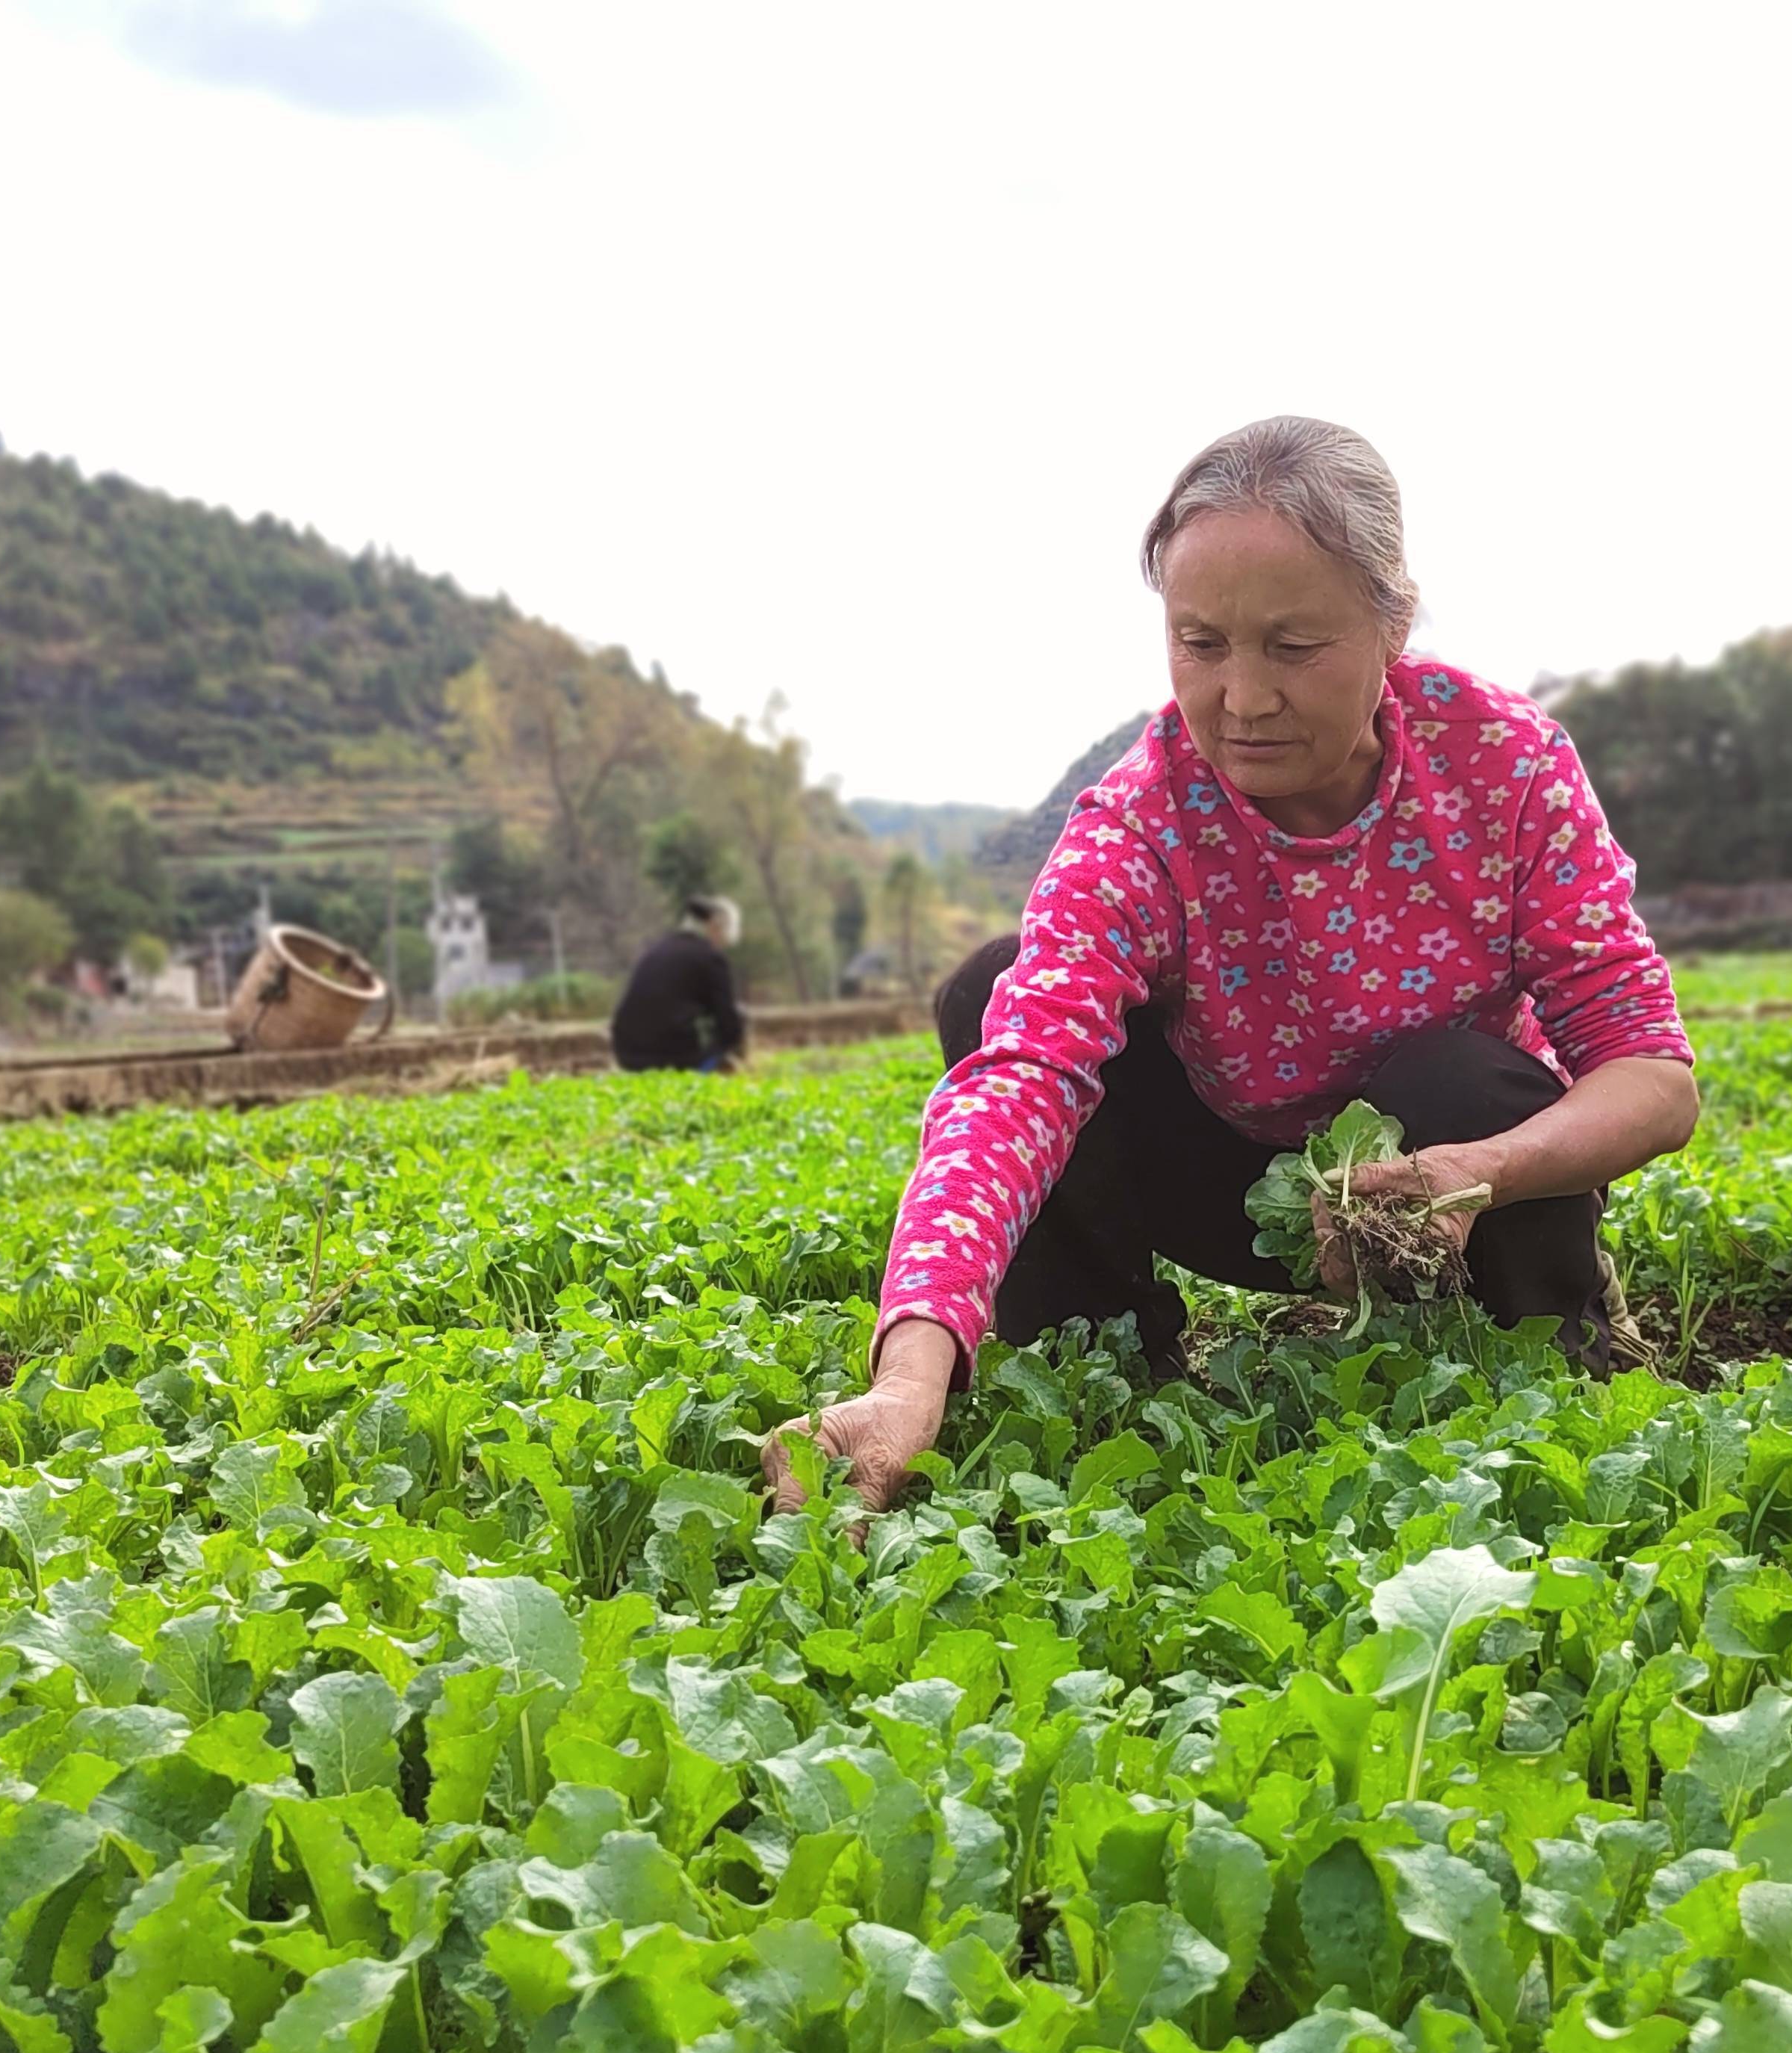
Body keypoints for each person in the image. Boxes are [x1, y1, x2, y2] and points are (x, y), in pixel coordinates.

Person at [766, 418, 1701, 1513]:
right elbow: (1019, 1081)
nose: (1244, 699)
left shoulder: (1502, 765)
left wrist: (1469, 1170)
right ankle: (1107, 1379)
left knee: (1458, 1077)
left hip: (1449, 1203)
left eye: (1295, 648)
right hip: (1233, 1189)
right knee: (991, 991)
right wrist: (910, 1376)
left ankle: (1553, 1361)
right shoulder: (1143, 818)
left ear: (1391, 622)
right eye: (1200, 644)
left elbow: (1652, 1077)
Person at [609, 895, 747, 1072]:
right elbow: (729, 1024)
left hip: (627, 1055)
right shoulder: (711, 959)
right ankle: (708, 1071)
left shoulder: (658, 948)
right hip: (673, 1058)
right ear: (715, 927)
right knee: (737, 1021)